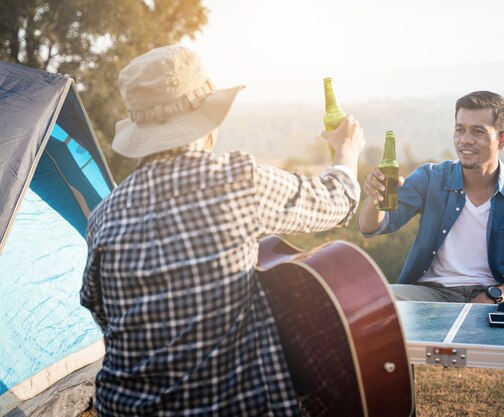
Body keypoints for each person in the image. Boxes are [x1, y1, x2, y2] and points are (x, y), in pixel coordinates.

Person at [80, 45, 365, 416]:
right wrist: (346, 152)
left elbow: (98, 307)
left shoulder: (104, 214)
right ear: (207, 123)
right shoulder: (236, 181)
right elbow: (336, 200)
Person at [359, 91, 504, 417]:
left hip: (500, 297)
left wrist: (496, 294)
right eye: (459, 129)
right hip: (432, 293)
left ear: (503, 138)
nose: (465, 140)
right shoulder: (431, 177)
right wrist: (373, 198)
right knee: (379, 305)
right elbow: (375, 226)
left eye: (478, 131)